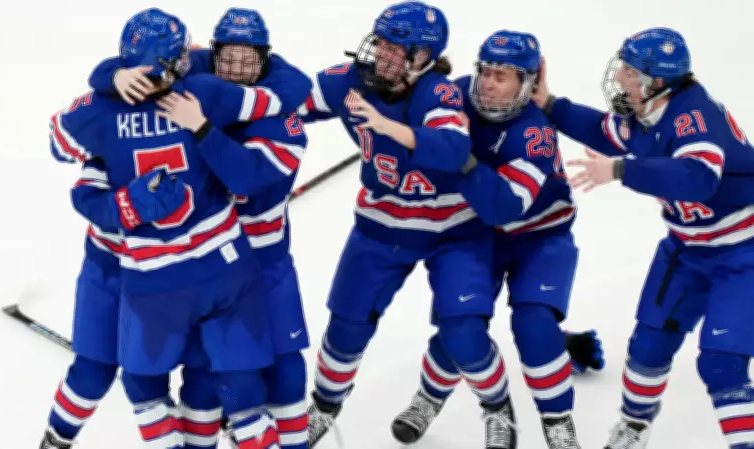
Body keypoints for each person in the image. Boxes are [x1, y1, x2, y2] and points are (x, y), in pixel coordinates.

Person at [51, 8, 305, 448]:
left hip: (207, 262)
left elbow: (63, 146)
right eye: (225, 54)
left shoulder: (193, 93)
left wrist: (112, 82)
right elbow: (288, 89)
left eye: (250, 58)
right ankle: (59, 437)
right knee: (106, 371)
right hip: (150, 261)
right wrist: (113, 77)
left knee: (223, 377)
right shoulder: (203, 87)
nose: (236, 68)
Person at [294, 2, 505, 446]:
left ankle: (496, 409)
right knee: (346, 324)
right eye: (383, 44)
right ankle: (325, 406)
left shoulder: (438, 93)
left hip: (454, 230)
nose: (385, 56)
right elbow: (285, 102)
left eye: (400, 50)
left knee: (463, 330)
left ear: (425, 58)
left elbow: (451, 149)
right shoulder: (348, 81)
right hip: (382, 225)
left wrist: (392, 128)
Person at [533, 27, 754, 449]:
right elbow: (605, 130)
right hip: (688, 249)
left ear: (658, 80)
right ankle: (635, 426)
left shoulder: (694, 117)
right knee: (648, 347)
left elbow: (698, 178)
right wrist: (551, 105)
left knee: (722, 364)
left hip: (744, 253)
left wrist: (620, 170)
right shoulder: (651, 112)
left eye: (631, 73)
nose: (620, 79)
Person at [391, 30, 588, 449]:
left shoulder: (534, 133)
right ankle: (429, 397)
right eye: (485, 71)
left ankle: (557, 420)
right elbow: (412, 106)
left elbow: (502, 207)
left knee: (534, 325)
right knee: (460, 324)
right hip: (476, 233)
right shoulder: (455, 94)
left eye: (503, 75)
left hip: (540, 238)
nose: (488, 82)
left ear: (528, 83)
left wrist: (455, 155)